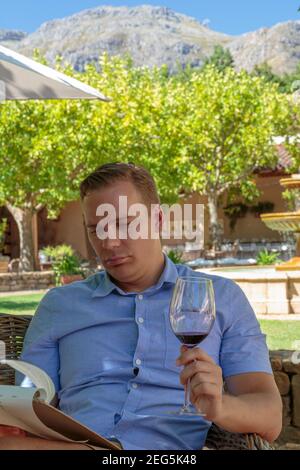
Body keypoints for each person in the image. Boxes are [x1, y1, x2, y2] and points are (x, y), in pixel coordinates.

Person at [0, 163, 282, 450]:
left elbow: (269, 416)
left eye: (123, 224)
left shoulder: (220, 298)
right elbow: (30, 406)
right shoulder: (60, 305)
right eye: (95, 229)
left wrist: (220, 408)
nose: (108, 242)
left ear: (157, 220)